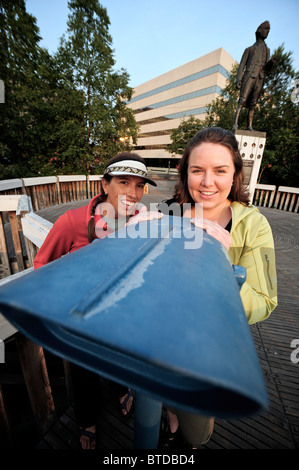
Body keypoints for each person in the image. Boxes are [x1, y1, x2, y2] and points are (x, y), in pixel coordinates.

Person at [158, 127, 278, 449]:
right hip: (165, 335)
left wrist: (222, 266)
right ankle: (170, 417)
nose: (207, 182)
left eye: (220, 170)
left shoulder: (255, 226)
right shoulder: (168, 213)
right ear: (185, 174)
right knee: (164, 396)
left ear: (236, 173)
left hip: (212, 343)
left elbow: (266, 300)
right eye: (197, 170)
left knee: (197, 432)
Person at [34, 152, 162, 449]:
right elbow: (43, 265)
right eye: (123, 182)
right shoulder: (73, 221)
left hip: (123, 314)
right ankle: (87, 420)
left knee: (122, 359)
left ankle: (121, 387)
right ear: (105, 185)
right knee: (84, 372)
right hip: (83, 318)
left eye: (140, 185)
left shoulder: (144, 222)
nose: (133, 193)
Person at [232, 21, 274, 131]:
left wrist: (271, 63)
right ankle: (235, 124)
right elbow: (241, 66)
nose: (267, 32)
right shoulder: (249, 49)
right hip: (249, 76)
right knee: (242, 100)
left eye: (268, 30)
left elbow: (267, 69)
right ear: (259, 31)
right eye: (265, 29)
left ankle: (249, 126)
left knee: (253, 103)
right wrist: (238, 80)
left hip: (260, 78)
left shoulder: (267, 50)